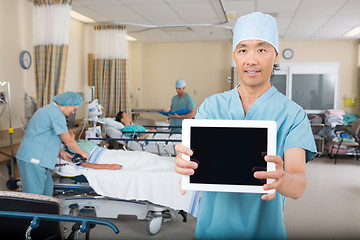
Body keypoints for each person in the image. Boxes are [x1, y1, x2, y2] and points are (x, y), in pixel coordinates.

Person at [174, 12, 317, 239]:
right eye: (243, 50)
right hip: (212, 230)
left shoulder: (292, 115)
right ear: (235, 56)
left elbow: (298, 185)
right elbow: (192, 162)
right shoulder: (211, 108)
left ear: (275, 55)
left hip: (264, 231)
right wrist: (184, 166)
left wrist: (282, 178)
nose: (251, 59)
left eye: (261, 49)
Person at [16, 91, 89, 196]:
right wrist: (82, 153)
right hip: (33, 159)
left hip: (37, 159)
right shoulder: (56, 114)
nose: (73, 112)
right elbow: (68, 141)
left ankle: (45, 211)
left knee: (47, 190)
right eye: (74, 108)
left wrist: (62, 152)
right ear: (67, 104)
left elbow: (45, 136)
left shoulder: (49, 110)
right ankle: (35, 212)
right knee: (34, 197)